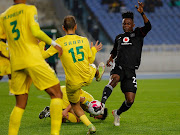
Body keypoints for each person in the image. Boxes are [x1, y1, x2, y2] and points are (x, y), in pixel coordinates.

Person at [0, 0, 63, 135]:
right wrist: (54, 43)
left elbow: (1, 39)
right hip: (32, 58)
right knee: (57, 93)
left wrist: (6, 54)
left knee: (20, 104)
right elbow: (36, 31)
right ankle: (55, 133)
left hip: (16, 63)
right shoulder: (29, 9)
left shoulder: (4, 16)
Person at [41, 15, 105, 134]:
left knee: (75, 106)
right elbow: (90, 60)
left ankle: (91, 126)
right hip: (87, 76)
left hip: (73, 82)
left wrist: (40, 45)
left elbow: (43, 56)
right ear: (75, 27)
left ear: (63, 28)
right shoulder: (84, 40)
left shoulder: (59, 42)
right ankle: (97, 75)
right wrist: (94, 50)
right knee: (93, 66)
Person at [100, 1, 152, 126]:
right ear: (122, 25)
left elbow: (148, 26)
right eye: (124, 24)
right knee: (115, 79)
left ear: (133, 25)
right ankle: (101, 105)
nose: (126, 26)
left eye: (128, 24)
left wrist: (142, 13)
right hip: (119, 67)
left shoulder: (139, 34)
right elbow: (114, 51)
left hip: (131, 71)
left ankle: (117, 113)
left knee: (130, 100)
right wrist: (111, 58)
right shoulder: (119, 37)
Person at [39, 86, 108, 122]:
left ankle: (52, 110)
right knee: (77, 119)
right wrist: (66, 110)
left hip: (65, 91)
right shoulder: (90, 103)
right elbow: (77, 99)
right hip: (67, 95)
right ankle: (52, 112)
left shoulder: (92, 105)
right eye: (97, 116)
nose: (94, 118)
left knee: (64, 120)